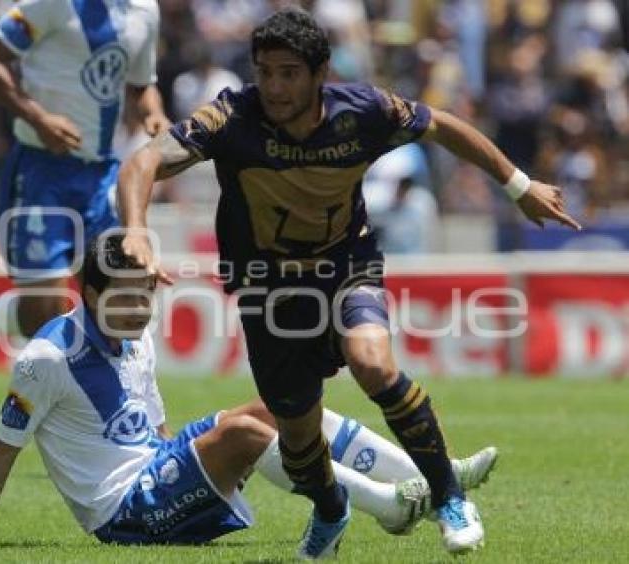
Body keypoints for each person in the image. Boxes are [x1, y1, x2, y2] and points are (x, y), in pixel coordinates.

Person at [116, 8, 581, 558]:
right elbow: (143, 162)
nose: (274, 86)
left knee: (373, 362)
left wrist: (518, 185)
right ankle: (331, 510)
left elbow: (443, 126)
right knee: (299, 442)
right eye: (265, 72)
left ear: (320, 74)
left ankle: (450, 498)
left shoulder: (364, 111)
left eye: (288, 73)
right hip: (267, 287)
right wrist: (137, 229)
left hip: (346, 266)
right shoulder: (231, 118)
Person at [0, 235, 498, 552]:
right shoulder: (46, 359)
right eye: (126, 298)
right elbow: (0, 453)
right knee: (243, 432)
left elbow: (154, 429)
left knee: (280, 409)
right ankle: (386, 505)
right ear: (89, 294)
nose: (141, 310)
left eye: (146, 296)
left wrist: (196, 465)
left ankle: (432, 473)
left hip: (156, 474)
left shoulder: (136, 334)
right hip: (122, 514)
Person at [0, 0, 171, 372]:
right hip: (42, 171)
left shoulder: (144, 9)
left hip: (101, 176)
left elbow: (142, 84)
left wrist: (154, 113)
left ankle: (112, 419)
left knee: (112, 301)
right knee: (44, 317)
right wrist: (37, 117)